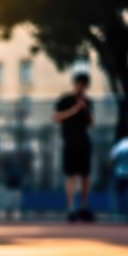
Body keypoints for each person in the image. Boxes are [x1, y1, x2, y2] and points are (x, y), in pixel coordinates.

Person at [53, 72, 95, 222]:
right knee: (71, 177)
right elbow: (56, 117)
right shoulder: (65, 100)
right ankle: (71, 208)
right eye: (79, 84)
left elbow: (92, 123)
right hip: (70, 143)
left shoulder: (88, 102)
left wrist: (85, 109)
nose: (81, 88)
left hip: (84, 144)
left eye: (84, 85)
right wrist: (75, 109)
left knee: (86, 177)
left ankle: (84, 207)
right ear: (75, 84)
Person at [109, 136, 128, 222]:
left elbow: (112, 159)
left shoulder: (120, 145)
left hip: (120, 173)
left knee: (114, 191)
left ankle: (115, 212)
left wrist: (112, 169)